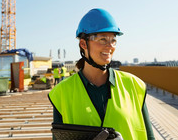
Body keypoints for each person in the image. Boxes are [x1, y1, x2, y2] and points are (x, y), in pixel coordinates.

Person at [48, 8, 155, 140]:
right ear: (83, 44)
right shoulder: (62, 93)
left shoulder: (134, 86)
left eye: (113, 40)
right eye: (103, 39)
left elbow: (150, 137)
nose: (110, 46)